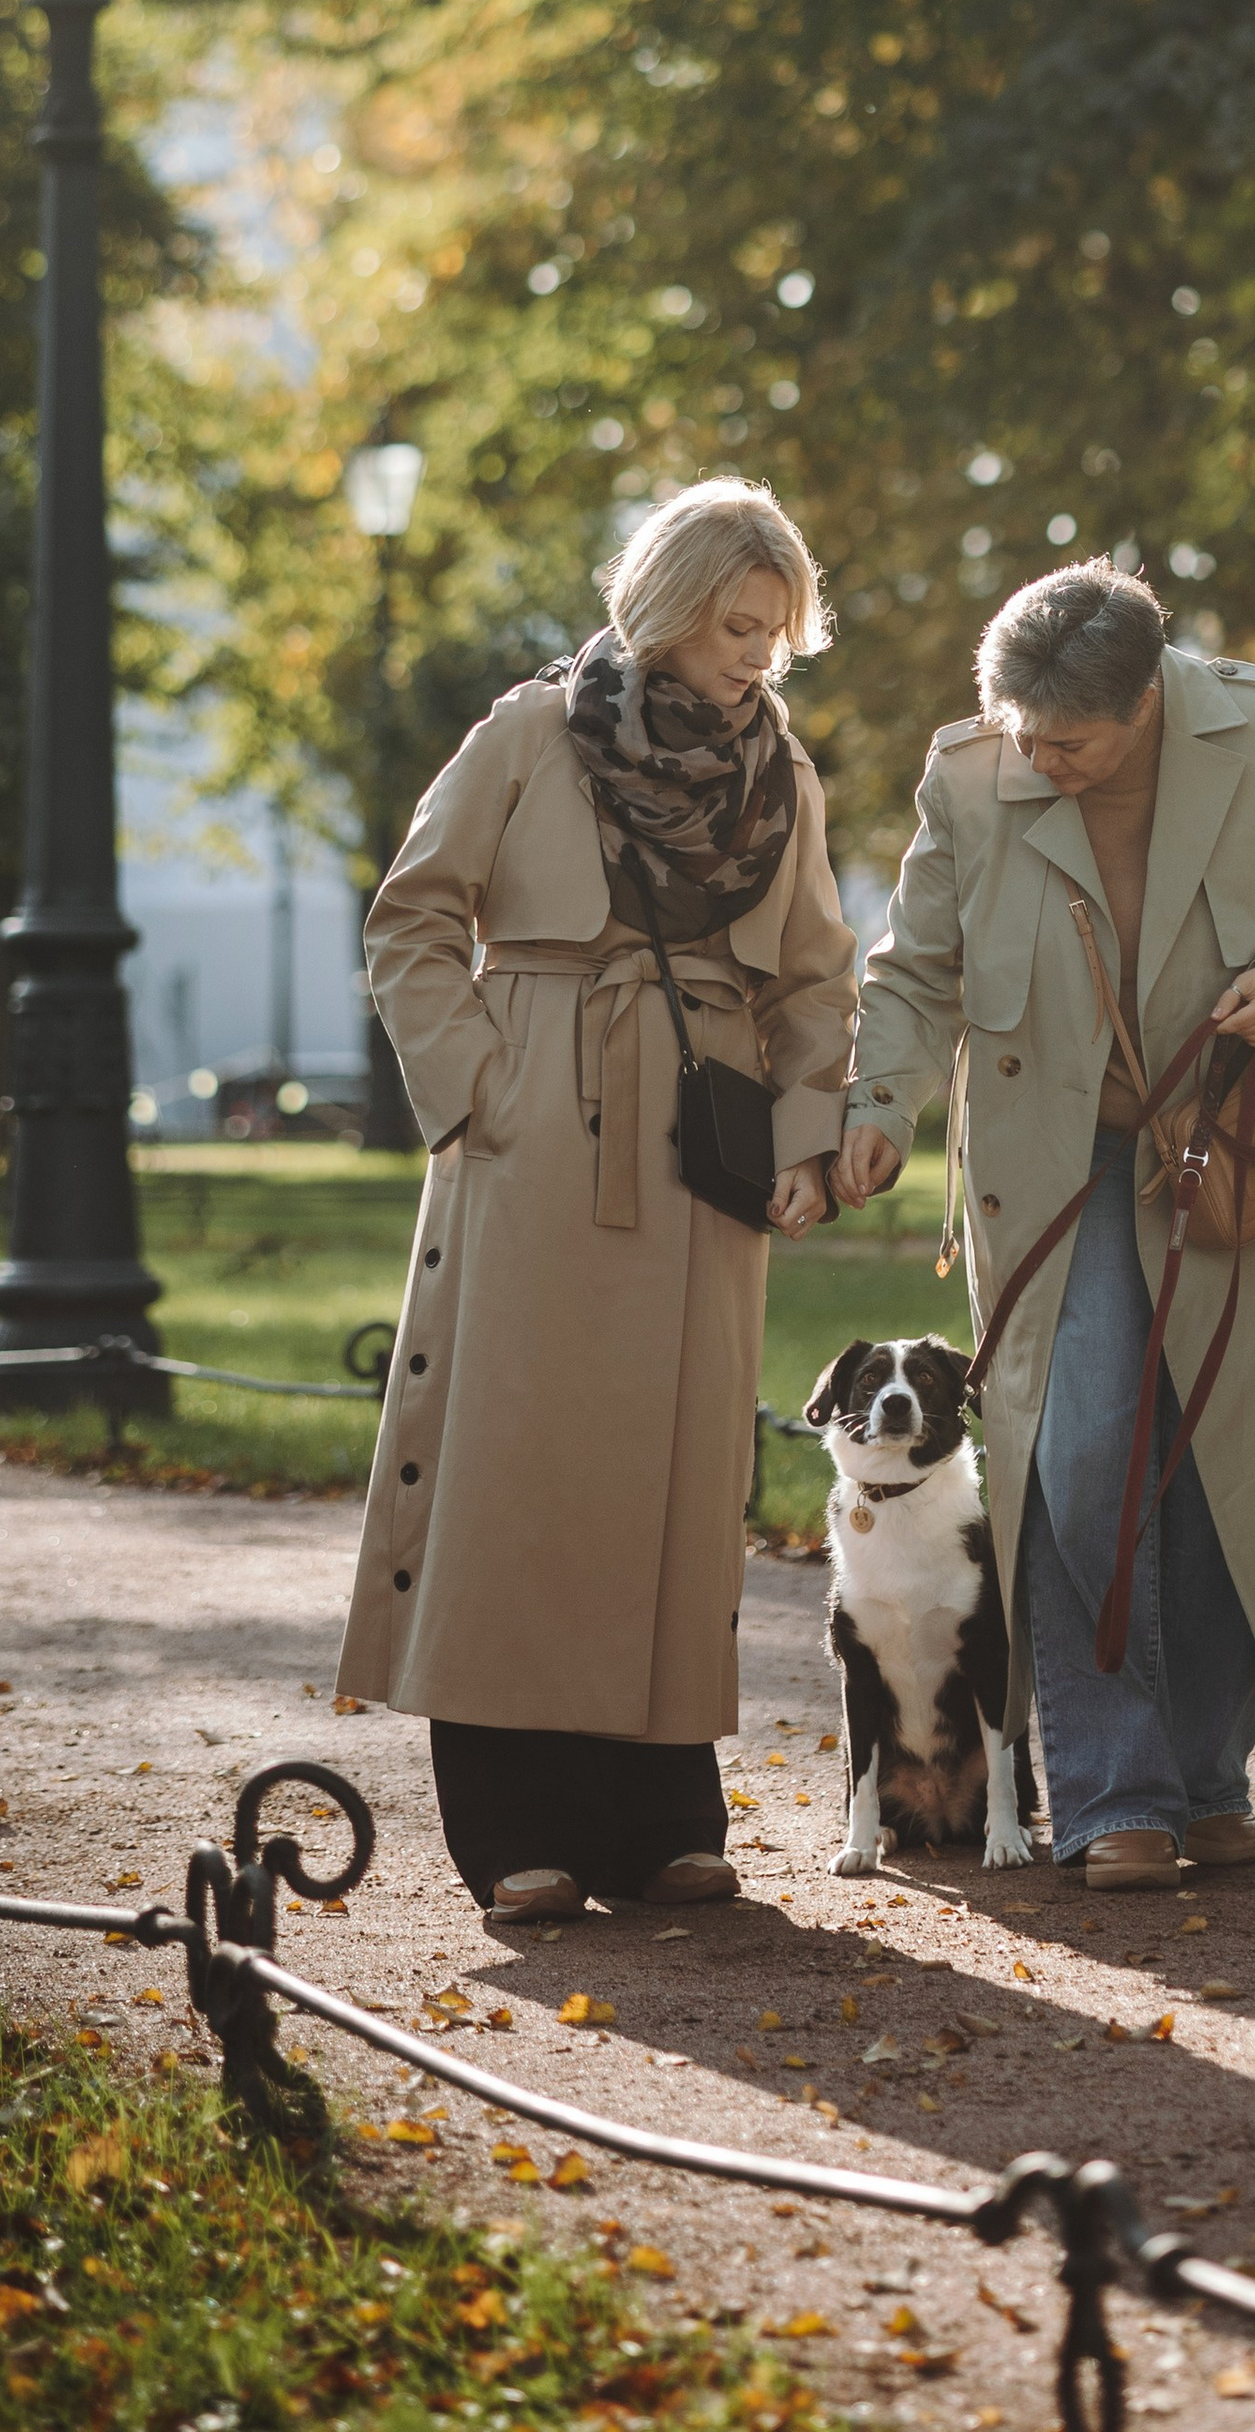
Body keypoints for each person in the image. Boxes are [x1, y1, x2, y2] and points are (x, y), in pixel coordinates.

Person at [833, 561, 1255, 1893]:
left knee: (1234, 1462)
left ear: (1146, 700)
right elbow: (913, 967)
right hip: (1053, 1168)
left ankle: (1210, 1781)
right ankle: (1116, 1793)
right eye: (1020, 735)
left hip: (1230, 1151)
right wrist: (878, 1106)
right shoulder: (970, 771)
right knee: (1082, 1448)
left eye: (1069, 743)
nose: (1036, 760)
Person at [336, 478, 857, 1922]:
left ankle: (662, 1818)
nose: (759, 653)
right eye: (738, 623)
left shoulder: (781, 778)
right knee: (521, 1471)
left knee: (680, 1481)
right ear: (673, 604)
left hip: (710, 1144)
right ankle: (516, 1829)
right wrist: (483, 1091)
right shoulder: (525, 733)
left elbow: (818, 976)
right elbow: (414, 918)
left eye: (778, 631)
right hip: (539, 1134)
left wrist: (807, 1142)